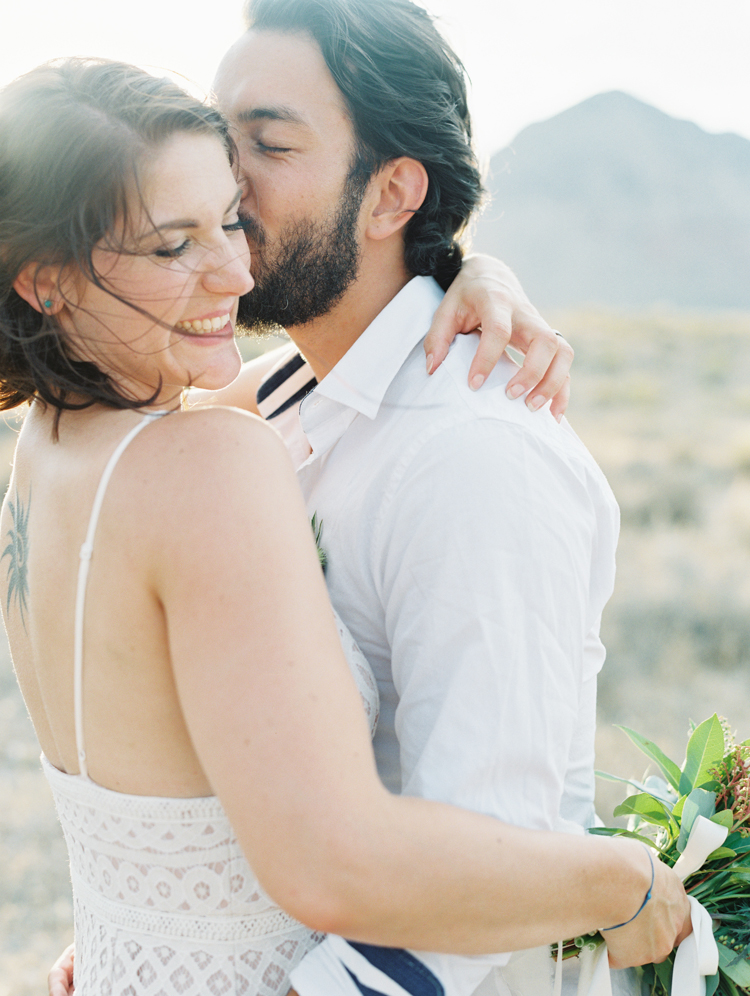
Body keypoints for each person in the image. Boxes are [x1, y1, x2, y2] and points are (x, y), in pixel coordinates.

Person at [0, 57, 689, 996]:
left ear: (394, 194)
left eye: (254, 167)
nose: (235, 260)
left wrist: (467, 266)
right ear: (46, 283)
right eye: (174, 243)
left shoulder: (54, 446)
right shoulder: (213, 453)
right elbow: (338, 863)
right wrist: (626, 881)